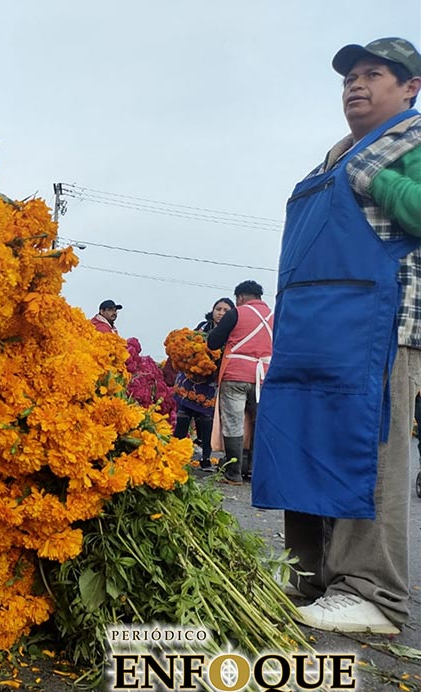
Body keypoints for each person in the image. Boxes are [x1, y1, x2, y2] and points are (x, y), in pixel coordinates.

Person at [253, 38, 421, 635]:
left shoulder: (410, 143)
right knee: (306, 441)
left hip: (375, 326)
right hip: (312, 328)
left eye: (374, 74)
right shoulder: (335, 155)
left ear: (410, 88)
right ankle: (311, 576)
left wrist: (377, 177)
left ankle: (372, 593)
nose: (356, 84)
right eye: (350, 76)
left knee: (365, 450)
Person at [206, 282, 272, 484]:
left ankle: (233, 473)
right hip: (265, 376)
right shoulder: (275, 316)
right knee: (260, 423)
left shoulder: (237, 313)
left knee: (234, 423)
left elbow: (213, 342)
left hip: (235, 374)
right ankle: (254, 470)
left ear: (240, 297)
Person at [173, 298, 235, 470]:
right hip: (190, 380)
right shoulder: (202, 327)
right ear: (212, 310)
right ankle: (174, 455)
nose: (221, 313)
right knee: (183, 417)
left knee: (206, 419)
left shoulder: (232, 333)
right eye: (218, 309)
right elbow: (187, 345)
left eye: (225, 310)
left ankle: (205, 458)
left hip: (210, 384)